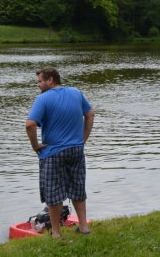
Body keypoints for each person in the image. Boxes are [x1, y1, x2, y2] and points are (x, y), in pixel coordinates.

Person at [26, 68, 95, 237]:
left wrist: (35, 146)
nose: (38, 85)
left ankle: (56, 233)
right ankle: (84, 227)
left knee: (53, 193)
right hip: (76, 151)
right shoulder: (76, 92)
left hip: (53, 153)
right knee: (78, 189)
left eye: (40, 81)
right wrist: (83, 139)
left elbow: (30, 124)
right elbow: (90, 114)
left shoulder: (43, 99)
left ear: (51, 80)